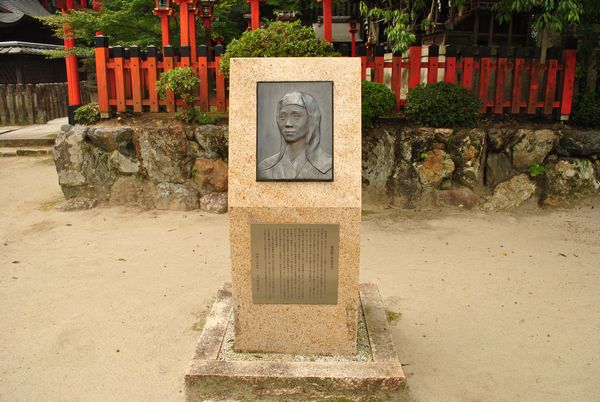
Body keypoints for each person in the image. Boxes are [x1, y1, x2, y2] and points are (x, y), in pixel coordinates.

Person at [257, 91, 333, 180]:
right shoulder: (265, 168)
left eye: (296, 116)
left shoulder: (329, 167)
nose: (288, 123)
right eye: (282, 117)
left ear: (311, 120)